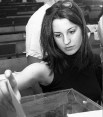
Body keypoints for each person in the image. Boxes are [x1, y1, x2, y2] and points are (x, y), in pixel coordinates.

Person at [0, 0, 102, 111]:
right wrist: (5, 87)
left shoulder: (94, 60)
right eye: (58, 35)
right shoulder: (45, 69)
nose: (66, 41)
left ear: (82, 28)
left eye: (71, 31)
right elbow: (22, 76)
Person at [25, 0, 60, 94]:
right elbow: (33, 67)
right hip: (52, 93)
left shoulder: (67, 12)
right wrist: (42, 102)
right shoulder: (38, 20)